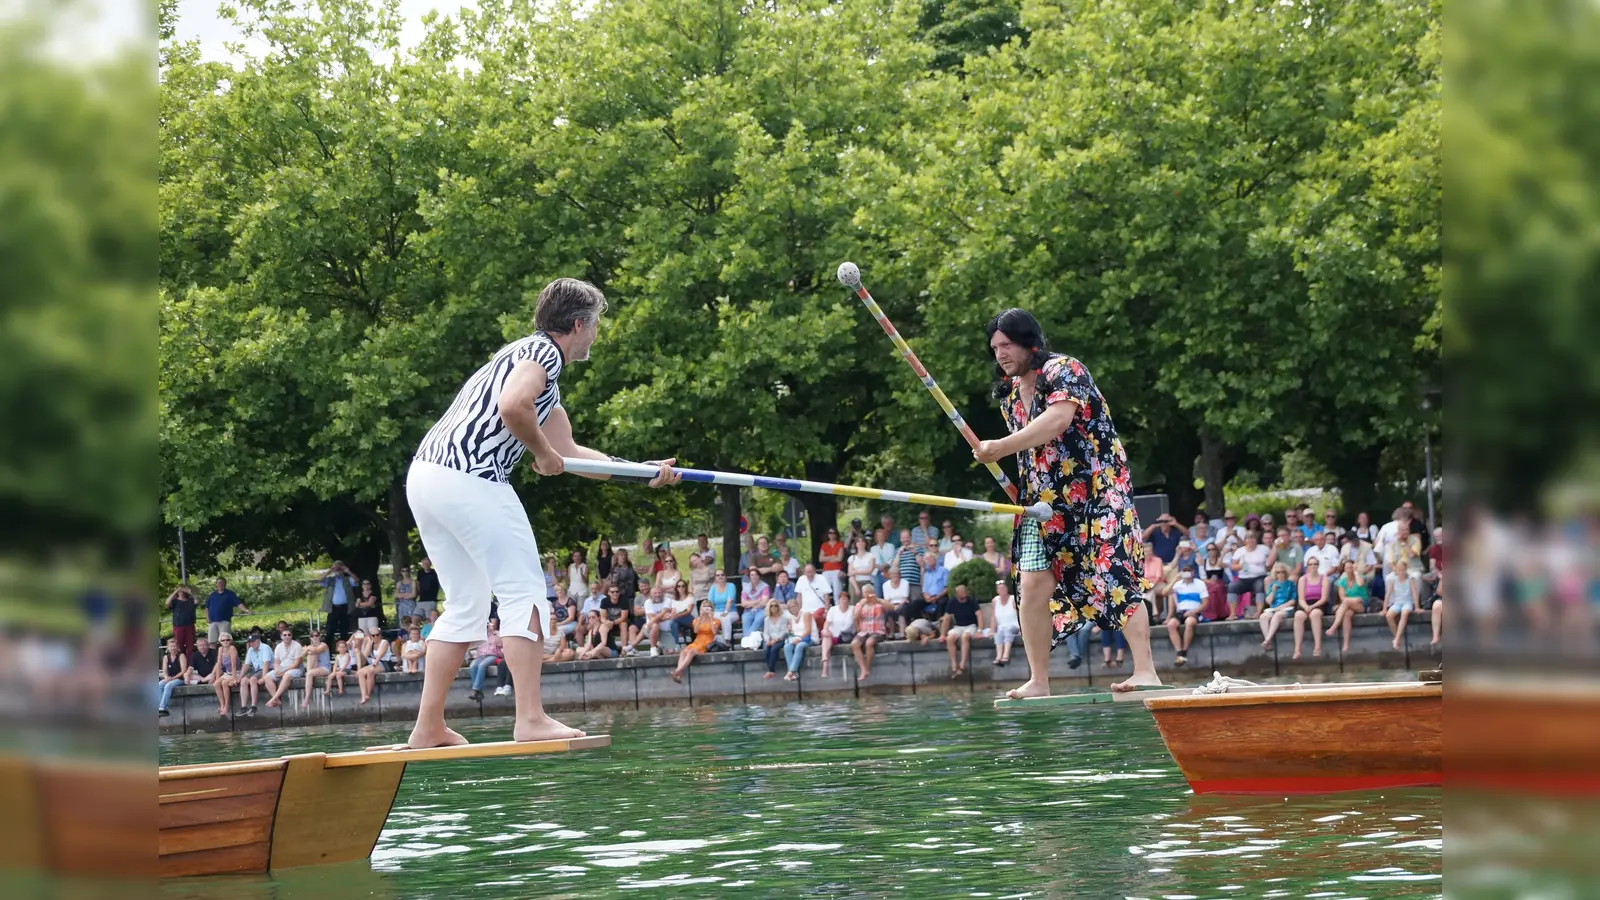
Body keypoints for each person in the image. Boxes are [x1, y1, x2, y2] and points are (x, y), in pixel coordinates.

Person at [404, 279, 679, 748]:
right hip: (472, 476)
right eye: (595, 325)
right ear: (577, 325)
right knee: (525, 592)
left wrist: (642, 473)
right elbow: (515, 409)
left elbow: (571, 452)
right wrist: (541, 454)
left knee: (468, 604)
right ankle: (529, 718)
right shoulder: (544, 356)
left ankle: (427, 727)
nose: (596, 334)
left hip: (427, 476)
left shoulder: (526, 364)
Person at [973, 310, 1160, 698]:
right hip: (1043, 502)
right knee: (1032, 585)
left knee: (1113, 571)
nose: (1000, 354)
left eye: (1007, 345)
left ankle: (1146, 671)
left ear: (1029, 342)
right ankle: (1039, 680)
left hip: (1098, 491)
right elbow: (1032, 451)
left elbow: (1057, 420)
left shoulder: (1065, 369)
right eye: (994, 348)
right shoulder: (1009, 394)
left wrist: (1000, 448)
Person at [1326, 559, 1372, 652]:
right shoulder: (1342, 581)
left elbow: (1360, 583)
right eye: (1347, 568)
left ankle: (1334, 626)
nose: (1349, 569)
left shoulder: (1360, 577)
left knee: (1346, 603)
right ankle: (1346, 644)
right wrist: (1353, 599)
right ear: (1344, 569)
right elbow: (1342, 597)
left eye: (1351, 567)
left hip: (1361, 603)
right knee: (1347, 614)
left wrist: (1356, 571)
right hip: (1349, 604)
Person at [1165, 567, 1208, 666]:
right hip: (1181, 611)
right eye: (1184, 571)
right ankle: (1179, 652)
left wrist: (1193, 611)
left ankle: (1184, 651)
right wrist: (1175, 579)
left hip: (1195, 611)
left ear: (1193, 572)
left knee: (1189, 622)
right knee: (1171, 624)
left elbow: (1205, 603)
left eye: (1188, 571)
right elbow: (1165, 592)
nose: (1186, 574)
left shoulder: (1200, 584)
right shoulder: (1178, 585)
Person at [942, 584, 985, 678]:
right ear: (957, 594)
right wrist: (942, 634)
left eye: (965, 592)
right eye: (962, 593)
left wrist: (979, 630)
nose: (964, 595)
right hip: (958, 626)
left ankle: (962, 665)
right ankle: (954, 665)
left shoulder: (972, 601)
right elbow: (947, 618)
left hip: (971, 625)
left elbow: (979, 615)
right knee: (950, 638)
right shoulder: (952, 601)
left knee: (965, 637)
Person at [670, 601, 718, 683]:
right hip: (697, 641)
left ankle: (677, 671)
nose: (706, 609)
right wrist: (701, 618)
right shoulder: (696, 620)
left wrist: (710, 618)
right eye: (704, 607)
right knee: (684, 651)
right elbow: (695, 631)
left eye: (708, 607)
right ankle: (679, 675)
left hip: (707, 642)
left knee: (691, 652)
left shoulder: (715, 620)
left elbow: (714, 632)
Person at [1292, 557, 1330, 659]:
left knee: (1315, 614)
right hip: (1305, 603)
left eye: (1315, 564)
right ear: (1307, 566)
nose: (1313, 566)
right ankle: (1297, 649)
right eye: (1311, 564)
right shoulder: (1302, 579)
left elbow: (1324, 598)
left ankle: (1317, 646)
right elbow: (1300, 598)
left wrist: (1313, 606)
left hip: (1319, 603)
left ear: (1318, 565)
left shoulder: (1324, 578)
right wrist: (1306, 607)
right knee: (1298, 615)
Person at [1226, 531, 1271, 618]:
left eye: (1253, 539)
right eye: (1249, 539)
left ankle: (1258, 612)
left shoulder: (1264, 549)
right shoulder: (1240, 551)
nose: (1251, 541)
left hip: (1259, 576)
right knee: (1232, 587)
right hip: (1244, 578)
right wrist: (1240, 566)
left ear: (1256, 540)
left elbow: (1270, 561)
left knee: (1260, 586)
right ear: (1245, 540)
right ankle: (1233, 614)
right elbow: (1233, 566)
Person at [851, 589, 889, 681]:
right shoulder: (860, 604)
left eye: (869, 592)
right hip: (864, 631)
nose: (867, 595)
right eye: (865, 593)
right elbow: (855, 617)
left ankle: (867, 668)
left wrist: (878, 600)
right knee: (854, 644)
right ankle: (863, 669)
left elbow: (892, 607)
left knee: (869, 643)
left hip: (878, 631)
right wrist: (861, 605)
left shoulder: (879, 604)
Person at [263, 626, 305, 708]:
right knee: (267, 677)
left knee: (287, 675)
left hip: (296, 669)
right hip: (283, 667)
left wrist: (284, 671)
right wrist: (276, 670)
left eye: (289, 635)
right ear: (281, 637)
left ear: (291, 636)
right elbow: (276, 662)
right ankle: (277, 700)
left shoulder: (297, 646)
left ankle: (273, 699)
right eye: (285, 635)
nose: (287, 636)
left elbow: (297, 664)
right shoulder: (278, 647)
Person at [1257, 563, 1297, 650]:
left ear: (1285, 573)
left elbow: (1293, 600)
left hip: (1286, 608)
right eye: (1278, 572)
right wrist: (1273, 592)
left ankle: (1267, 640)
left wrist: (1282, 606)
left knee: (1277, 615)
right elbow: (1268, 601)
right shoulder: (1272, 585)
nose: (1280, 574)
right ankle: (1268, 641)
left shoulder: (1290, 584)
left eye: (1282, 572)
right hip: (1274, 608)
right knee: (1263, 617)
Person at [204, 577, 252, 645]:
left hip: (224, 622)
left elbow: (238, 604)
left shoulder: (229, 594)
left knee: (225, 642)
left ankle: (225, 655)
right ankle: (214, 655)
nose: (220, 584)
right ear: (216, 584)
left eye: (222, 583)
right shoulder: (212, 595)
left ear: (225, 584)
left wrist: (246, 610)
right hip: (212, 622)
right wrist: (207, 618)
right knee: (212, 642)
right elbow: (206, 608)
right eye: (218, 583)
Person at [317, 564, 357, 641]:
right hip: (333, 608)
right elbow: (320, 580)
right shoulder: (330, 580)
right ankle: (328, 651)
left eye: (339, 568)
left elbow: (357, 580)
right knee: (329, 631)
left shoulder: (347, 579)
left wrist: (348, 571)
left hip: (345, 607)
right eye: (336, 568)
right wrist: (329, 570)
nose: (337, 570)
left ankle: (344, 651)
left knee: (344, 630)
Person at [821, 591, 855, 678]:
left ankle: (825, 657)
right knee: (826, 637)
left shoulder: (853, 609)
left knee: (827, 638)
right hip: (833, 635)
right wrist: (825, 630)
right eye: (841, 599)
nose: (843, 601)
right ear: (838, 600)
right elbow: (827, 623)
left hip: (846, 635)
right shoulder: (833, 610)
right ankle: (825, 667)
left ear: (848, 600)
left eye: (845, 599)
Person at [468, 619, 503, 701]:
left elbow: (500, 644)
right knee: (473, 665)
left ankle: (475, 690)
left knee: (482, 665)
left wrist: (493, 632)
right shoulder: (481, 635)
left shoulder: (496, 633)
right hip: (480, 656)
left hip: (493, 655)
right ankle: (477, 691)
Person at [238, 630, 272, 717]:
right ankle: (244, 707)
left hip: (266, 669)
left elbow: (266, 664)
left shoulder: (265, 647)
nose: (251, 644)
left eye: (253, 641)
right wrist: (239, 677)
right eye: (250, 642)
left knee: (253, 679)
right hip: (256, 670)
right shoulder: (250, 650)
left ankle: (254, 707)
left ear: (258, 641)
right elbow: (246, 664)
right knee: (243, 680)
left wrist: (263, 678)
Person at [991, 581, 1020, 666]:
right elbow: (993, 616)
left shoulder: (1013, 599)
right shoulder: (995, 600)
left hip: (1014, 625)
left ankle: (1006, 655)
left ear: (1007, 589)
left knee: (1007, 629)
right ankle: (999, 656)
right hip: (1001, 626)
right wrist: (992, 630)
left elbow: (1020, 614)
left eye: (1003, 588)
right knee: (999, 630)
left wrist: (1022, 629)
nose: (1002, 590)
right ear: (997, 591)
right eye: (999, 588)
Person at [157, 637, 188, 717]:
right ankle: (163, 707)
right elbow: (164, 671)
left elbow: (183, 671)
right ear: (168, 647)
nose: (173, 648)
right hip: (170, 678)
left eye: (174, 646)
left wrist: (172, 679)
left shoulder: (181, 656)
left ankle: (162, 707)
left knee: (168, 685)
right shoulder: (166, 657)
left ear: (177, 647)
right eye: (171, 646)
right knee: (160, 684)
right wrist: (166, 677)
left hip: (180, 679)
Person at [210, 633, 239, 717]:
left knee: (224, 683)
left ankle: (227, 706)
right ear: (220, 642)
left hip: (236, 672)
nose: (225, 642)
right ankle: (222, 705)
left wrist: (234, 678)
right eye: (223, 640)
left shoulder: (232, 648)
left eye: (227, 640)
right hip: (227, 672)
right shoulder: (220, 649)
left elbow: (233, 664)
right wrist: (217, 678)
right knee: (216, 684)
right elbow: (219, 664)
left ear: (230, 641)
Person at [739, 569, 772, 640]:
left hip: (761, 610)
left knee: (759, 619)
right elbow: (743, 603)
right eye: (752, 575)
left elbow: (764, 602)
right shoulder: (746, 587)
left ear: (759, 576)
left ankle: (747, 640)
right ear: (749, 577)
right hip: (748, 610)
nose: (754, 576)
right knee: (745, 619)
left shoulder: (765, 587)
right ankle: (749, 641)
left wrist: (750, 603)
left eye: (756, 574)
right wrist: (757, 601)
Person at [166, 585, 198, 655]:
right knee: (179, 646)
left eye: (183, 591)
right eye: (180, 591)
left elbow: (197, 600)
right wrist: (176, 590)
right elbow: (167, 603)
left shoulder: (191, 600)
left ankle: (190, 663)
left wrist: (189, 591)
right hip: (178, 626)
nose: (182, 592)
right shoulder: (174, 601)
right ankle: (180, 662)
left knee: (190, 646)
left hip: (190, 626)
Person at [707, 570, 739, 642]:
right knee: (712, 619)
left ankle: (727, 640)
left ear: (725, 576)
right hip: (717, 612)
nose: (720, 576)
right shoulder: (713, 588)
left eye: (722, 574)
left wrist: (726, 611)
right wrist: (710, 613)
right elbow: (710, 602)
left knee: (725, 617)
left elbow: (729, 600)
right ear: (715, 578)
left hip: (731, 611)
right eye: (718, 575)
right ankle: (712, 641)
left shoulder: (731, 586)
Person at [818, 528, 846, 599]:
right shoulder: (824, 545)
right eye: (830, 533)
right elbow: (821, 559)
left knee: (837, 592)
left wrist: (827, 558)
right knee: (824, 592)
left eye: (833, 533)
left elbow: (840, 558)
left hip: (837, 570)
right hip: (826, 571)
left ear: (836, 534)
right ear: (827, 534)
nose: (832, 534)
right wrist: (833, 557)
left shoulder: (840, 544)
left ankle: (837, 607)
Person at [847, 537, 876, 601]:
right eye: (858, 541)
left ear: (865, 543)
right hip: (855, 583)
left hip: (867, 583)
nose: (860, 543)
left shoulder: (871, 555)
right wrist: (856, 587)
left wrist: (855, 572)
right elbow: (850, 574)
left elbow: (870, 570)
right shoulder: (852, 558)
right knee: (855, 604)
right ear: (855, 544)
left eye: (862, 541)